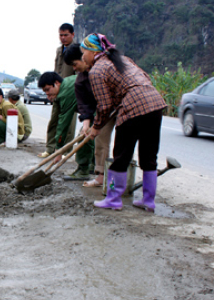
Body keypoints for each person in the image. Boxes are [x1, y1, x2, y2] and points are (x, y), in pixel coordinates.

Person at [81, 33, 167, 212]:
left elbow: (104, 106)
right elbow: (143, 78)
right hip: (155, 104)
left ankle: (113, 198)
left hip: (133, 108)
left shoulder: (97, 70)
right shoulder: (123, 59)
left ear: (92, 51)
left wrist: (96, 128)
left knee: (120, 157)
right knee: (149, 157)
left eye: (84, 52)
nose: (83, 57)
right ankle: (148, 201)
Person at [63, 43, 116, 185]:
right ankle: (97, 173)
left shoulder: (103, 68)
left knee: (122, 143)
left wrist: (96, 125)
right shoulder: (80, 80)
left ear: (84, 57)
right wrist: (86, 125)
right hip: (101, 110)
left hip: (118, 106)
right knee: (91, 136)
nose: (74, 69)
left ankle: (118, 177)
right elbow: (84, 105)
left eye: (75, 64)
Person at [38, 72, 93, 180]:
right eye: (45, 92)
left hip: (99, 106)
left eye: (48, 90)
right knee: (89, 136)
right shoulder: (65, 85)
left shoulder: (66, 92)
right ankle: (92, 165)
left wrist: (58, 150)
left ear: (57, 83)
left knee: (84, 136)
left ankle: (83, 171)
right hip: (92, 108)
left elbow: (63, 124)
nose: (48, 95)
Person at [39, 23, 78, 158]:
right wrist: (50, 90)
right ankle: (50, 148)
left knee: (68, 124)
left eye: (65, 35)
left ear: (72, 35)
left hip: (71, 92)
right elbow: (57, 69)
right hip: (57, 90)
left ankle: (64, 151)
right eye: (60, 35)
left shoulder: (76, 51)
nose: (63, 38)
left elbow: (77, 73)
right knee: (54, 121)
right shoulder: (58, 50)